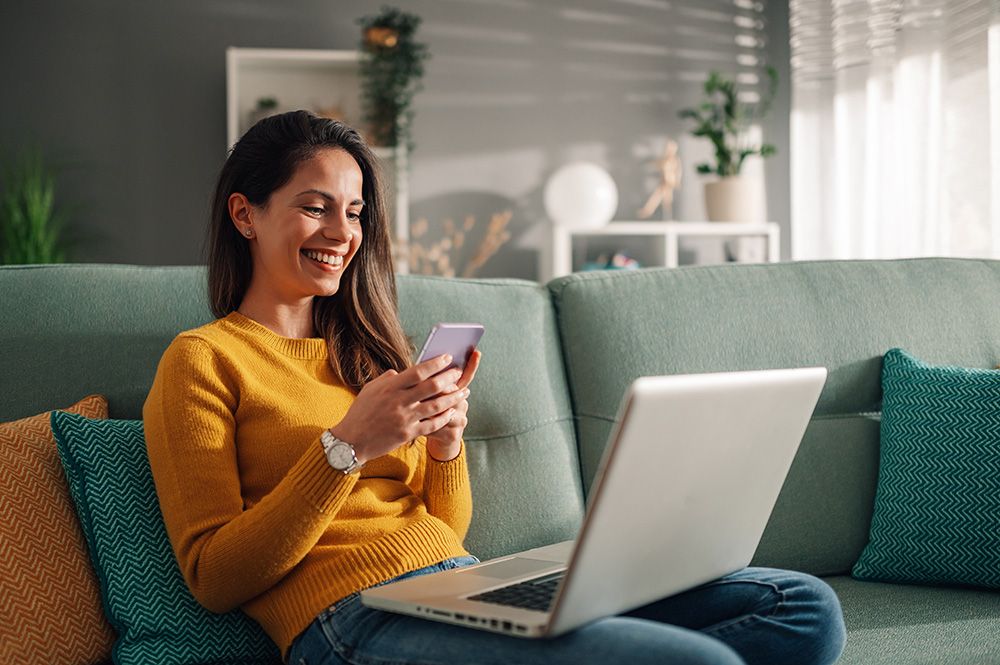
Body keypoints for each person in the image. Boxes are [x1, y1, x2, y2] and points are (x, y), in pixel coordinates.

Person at [143, 110, 846, 665]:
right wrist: (344, 447)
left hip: (459, 585)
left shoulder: (371, 356)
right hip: (348, 622)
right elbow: (214, 575)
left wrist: (446, 446)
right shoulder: (203, 360)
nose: (342, 231)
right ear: (245, 214)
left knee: (802, 607)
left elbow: (444, 532)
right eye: (316, 206)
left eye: (355, 212)